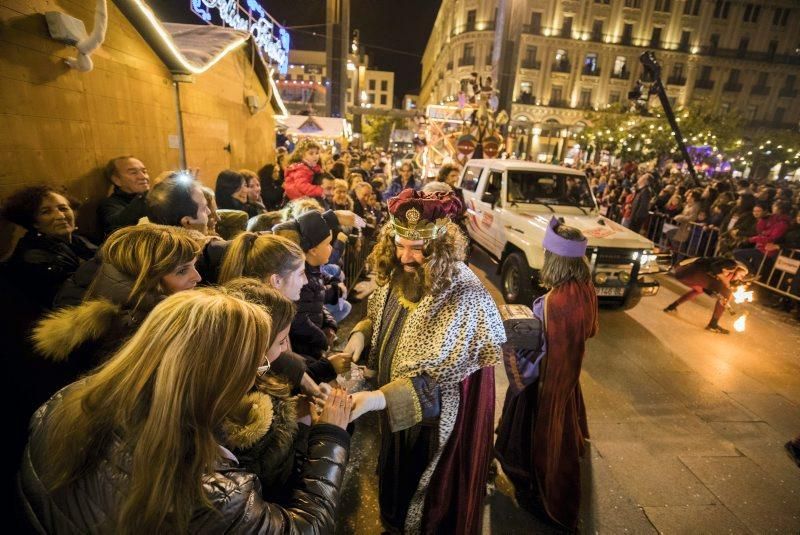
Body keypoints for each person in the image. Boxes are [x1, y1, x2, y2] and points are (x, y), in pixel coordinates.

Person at [19, 288, 353, 533]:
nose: (258, 374)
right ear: (219, 375)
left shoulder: (64, 401)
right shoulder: (212, 491)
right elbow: (304, 528)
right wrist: (330, 436)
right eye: (257, 366)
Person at [342, 188, 506, 533]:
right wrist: (360, 334)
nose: (406, 257)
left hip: (433, 428)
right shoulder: (400, 272)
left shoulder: (463, 293)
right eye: (399, 245)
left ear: (440, 247)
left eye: (417, 249)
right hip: (395, 415)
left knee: (421, 497)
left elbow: (437, 381)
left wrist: (374, 399)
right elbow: (381, 314)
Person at [495, 216, 598, 531]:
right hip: (567, 376)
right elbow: (590, 330)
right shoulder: (584, 289)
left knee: (530, 436)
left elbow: (536, 357)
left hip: (545, 385)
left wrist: (513, 340)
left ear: (556, 260)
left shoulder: (554, 301)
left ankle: (532, 488)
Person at [31, 224, 202, 401]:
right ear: (146, 278)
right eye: (182, 271)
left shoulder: (124, 296)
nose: (198, 277)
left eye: (194, 266)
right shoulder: (130, 327)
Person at [272, 210, 352, 383]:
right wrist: (321, 339)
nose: (331, 248)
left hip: (312, 345)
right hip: (304, 349)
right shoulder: (300, 283)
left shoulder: (313, 270)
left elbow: (318, 304)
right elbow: (300, 321)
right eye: (328, 244)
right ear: (313, 250)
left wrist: (329, 323)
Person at [2, 185, 97, 311]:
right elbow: (72, 299)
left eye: (63, 208)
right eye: (46, 212)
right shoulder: (34, 256)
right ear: (34, 222)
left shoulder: (78, 240)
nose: (61, 216)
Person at [663, 257, 748, 334]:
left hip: (683, 274)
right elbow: (715, 267)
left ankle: (671, 307)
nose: (741, 278)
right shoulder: (732, 264)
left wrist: (714, 291)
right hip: (692, 273)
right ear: (739, 268)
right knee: (726, 293)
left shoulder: (727, 271)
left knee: (698, 290)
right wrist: (725, 282)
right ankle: (713, 325)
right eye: (742, 275)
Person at [97, 156, 149, 237]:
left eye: (144, 171)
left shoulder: (153, 198)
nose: (143, 177)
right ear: (117, 180)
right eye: (133, 173)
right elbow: (118, 227)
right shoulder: (110, 204)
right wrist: (143, 196)